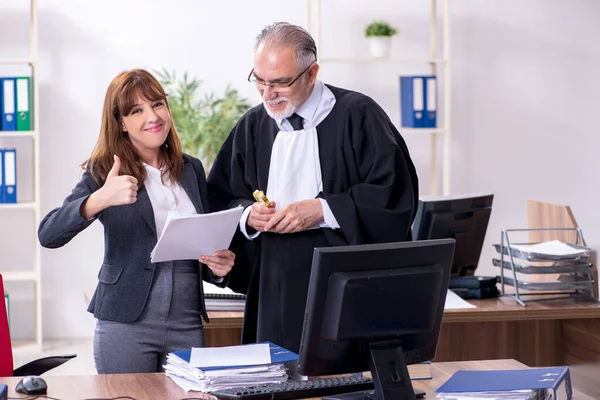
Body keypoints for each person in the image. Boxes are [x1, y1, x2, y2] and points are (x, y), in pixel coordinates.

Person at [207, 22, 419, 353]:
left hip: (345, 289)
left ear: (311, 73)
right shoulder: (252, 125)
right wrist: (248, 216)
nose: (267, 94)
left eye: (279, 83)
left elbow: (392, 193)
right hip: (272, 292)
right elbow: (219, 197)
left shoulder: (358, 115)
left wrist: (322, 209)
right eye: (259, 81)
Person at [38, 69, 235, 374]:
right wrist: (99, 199)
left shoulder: (190, 169)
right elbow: (49, 233)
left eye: (157, 104)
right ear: (121, 122)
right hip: (126, 324)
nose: (153, 117)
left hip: (186, 322)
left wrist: (217, 267)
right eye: (136, 110)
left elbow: (203, 246)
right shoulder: (105, 170)